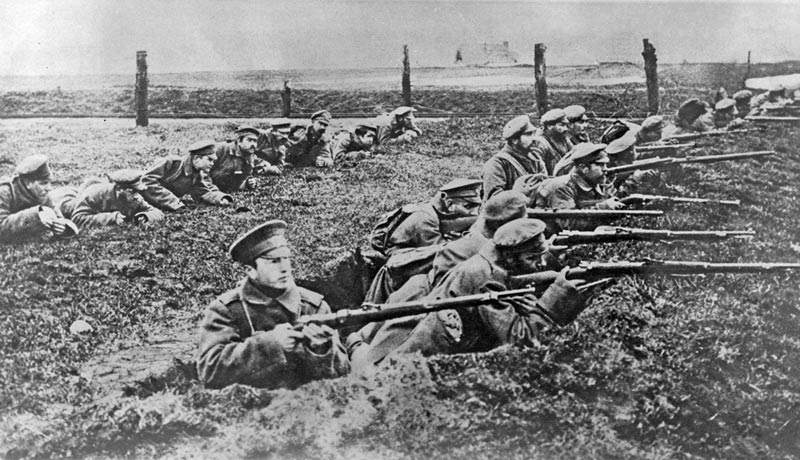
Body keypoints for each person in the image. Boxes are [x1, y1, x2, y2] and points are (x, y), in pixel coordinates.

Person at [348, 218, 589, 368]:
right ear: (510, 257)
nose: (541, 264)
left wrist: (551, 258)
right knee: (366, 368)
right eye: (533, 258)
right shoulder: (483, 277)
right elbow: (520, 338)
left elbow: (516, 278)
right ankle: (354, 344)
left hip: (415, 342)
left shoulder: (492, 260)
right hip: (401, 366)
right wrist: (556, 296)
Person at [196, 220, 350, 389]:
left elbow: (343, 374)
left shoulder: (313, 306)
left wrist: (321, 349)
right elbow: (209, 372)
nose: (285, 268)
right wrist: (271, 344)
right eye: (274, 261)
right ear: (250, 271)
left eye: (286, 259)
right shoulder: (226, 311)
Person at [371, 178, 483, 258]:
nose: (472, 212)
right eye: (467, 206)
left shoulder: (434, 210)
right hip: (398, 259)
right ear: (448, 203)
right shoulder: (425, 218)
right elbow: (442, 256)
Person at [141, 140, 233, 211]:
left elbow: (202, 192)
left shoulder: (196, 173)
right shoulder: (171, 164)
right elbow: (147, 181)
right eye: (209, 160)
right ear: (196, 158)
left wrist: (221, 198)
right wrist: (174, 203)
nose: (212, 164)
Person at [0, 155, 74, 242]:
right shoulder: (5, 192)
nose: (49, 188)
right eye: (43, 183)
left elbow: (59, 218)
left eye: (50, 183)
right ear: (28, 183)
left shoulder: (43, 195)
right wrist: (35, 215)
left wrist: (61, 228)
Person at [533, 143, 624, 210]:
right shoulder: (563, 188)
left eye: (605, 165)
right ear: (583, 168)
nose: (605, 169)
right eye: (600, 165)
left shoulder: (596, 181)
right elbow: (569, 222)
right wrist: (603, 207)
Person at [481, 114, 547, 201]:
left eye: (533, 134)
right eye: (528, 134)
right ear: (514, 140)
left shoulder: (535, 159)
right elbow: (495, 201)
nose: (534, 139)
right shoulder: (496, 164)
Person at [70, 169, 164, 228]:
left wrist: (145, 216)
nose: (137, 197)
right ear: (120, 190)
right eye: (133, 192)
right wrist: (112, 218)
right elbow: (78, 218)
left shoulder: (134, 197)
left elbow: (157, 212)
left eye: (137, 191)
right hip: (67, 200)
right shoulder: (93, 196)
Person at [210, 126, 260, 193]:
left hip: (225, 189)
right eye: (249, 140)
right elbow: (202, 171)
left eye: (255, 141)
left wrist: (248, 183)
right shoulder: (221, 149)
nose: (253, 144)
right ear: (239, 141)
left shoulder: (249, 155)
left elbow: (243, 177)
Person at [530, 108, 574, 176]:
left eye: (566, 125)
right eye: (561, 125)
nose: (566, 129)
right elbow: (539, 170)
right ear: (549, 126)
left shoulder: (563, 138)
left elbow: (574, 154)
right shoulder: (540, 143)